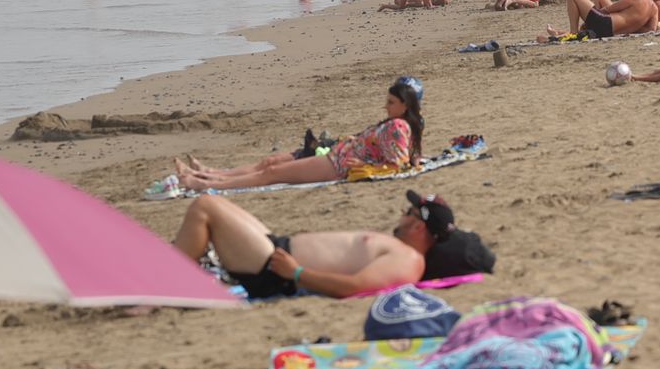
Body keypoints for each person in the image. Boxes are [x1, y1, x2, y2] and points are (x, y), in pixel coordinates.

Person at [171, 189, 494, 298]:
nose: (401, 212)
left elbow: (356, 287)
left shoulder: (410, 261)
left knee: (205, 207)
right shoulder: (405, 252)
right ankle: (165, 273)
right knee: (212, 203)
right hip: (277, 252)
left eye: (408, 211)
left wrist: (296, 273)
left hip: (274, 270)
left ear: (419, 225)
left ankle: (159, 285)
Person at [175, 79, 424, 190]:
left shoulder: (398, 127)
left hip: (338, 165)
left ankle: (206, 183)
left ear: (404, 105)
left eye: (390, 102)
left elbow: (397, 164)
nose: (386, 106)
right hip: (337, 158)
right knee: (269, 170)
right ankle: (209, 177)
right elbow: (405, 158)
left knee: (271, 173)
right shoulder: (396, 123)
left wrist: (362, 163)